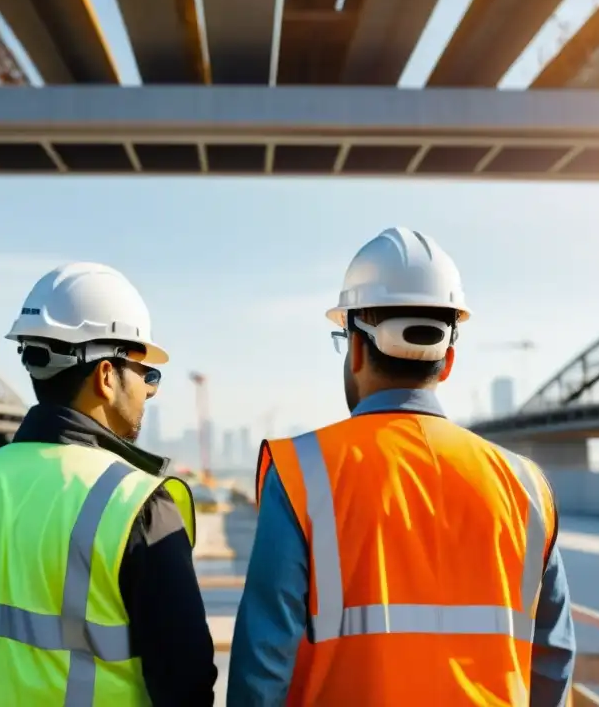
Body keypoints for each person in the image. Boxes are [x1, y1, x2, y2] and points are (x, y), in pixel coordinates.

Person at [227, 227, 576, 705]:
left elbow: (262, 668)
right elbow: (552, 661)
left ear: (354, 349)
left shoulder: (302, 472)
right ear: (448, 359)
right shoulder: (525, 487)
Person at [0, 262, 217, 705]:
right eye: (146, 374)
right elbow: (186, 686)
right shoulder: (135, 504)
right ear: (106, 375)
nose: (149, 390)